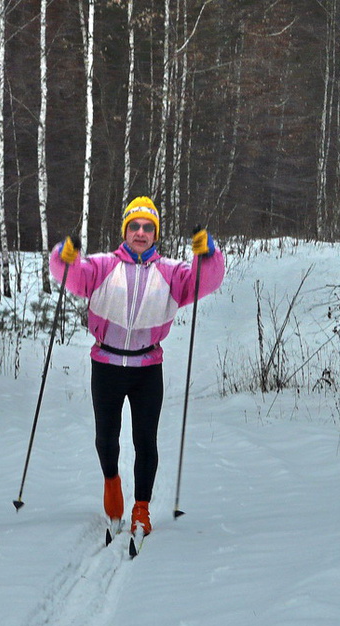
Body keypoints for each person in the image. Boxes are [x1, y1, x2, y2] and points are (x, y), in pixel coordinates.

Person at [49, 196, 225, 536]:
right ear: (125, 231)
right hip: (106, 364)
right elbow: (69, 274)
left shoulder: (172, 273)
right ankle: (112, 483)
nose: (140, 232)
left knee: (145, 440)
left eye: (147, 227)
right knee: (107, 439)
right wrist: (63, 256)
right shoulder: (101, 267)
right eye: (135, 226)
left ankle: (141, 509)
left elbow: (208, 280)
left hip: (147, 367)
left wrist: (209, 256)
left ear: (155, 233)